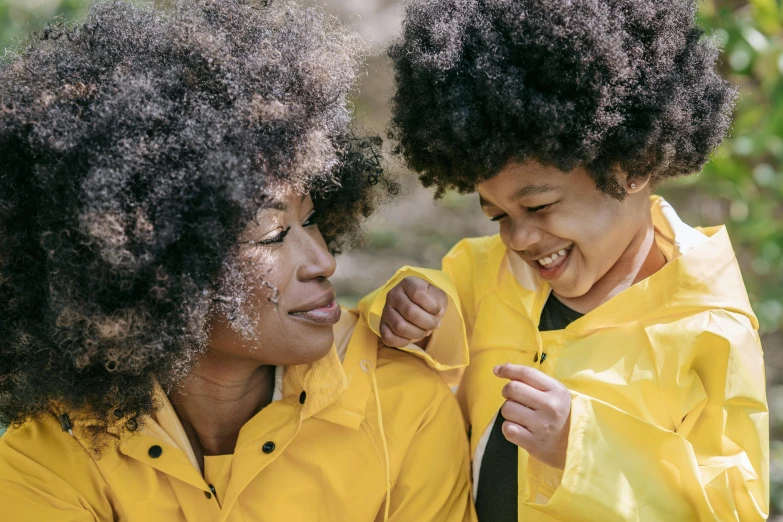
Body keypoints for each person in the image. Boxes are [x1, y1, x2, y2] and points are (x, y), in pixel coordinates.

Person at [0, 1, 473, 521]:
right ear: (151, 270)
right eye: (271, 235)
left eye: (312, 219)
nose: (323, 261)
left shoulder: (405, 409)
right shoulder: (47, 456)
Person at [359, 0, 770, 520]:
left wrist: (580, 447)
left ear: (633, 165)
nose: (519, 238)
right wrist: (404, 304)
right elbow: (416, 340)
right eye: (498, 215)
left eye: (539, 206)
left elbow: (732, 507)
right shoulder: (485, 272)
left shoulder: (710, 327)